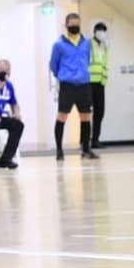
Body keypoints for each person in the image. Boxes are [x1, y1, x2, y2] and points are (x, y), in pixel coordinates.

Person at [50, 12, 98, 161]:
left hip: (84, 85)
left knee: (86, 117)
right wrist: (64, 75)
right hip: (68, 86)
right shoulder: (58, 45)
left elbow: (87, 60)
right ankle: (59, 150)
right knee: (62, 117)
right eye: (72, 25)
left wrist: (82, 73)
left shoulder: (87, 43)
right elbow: (53, 65)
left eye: (77, 24)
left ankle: (86, 150)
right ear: (66, 25)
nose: (75, 27)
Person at [88, 21, 109, 149]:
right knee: (87, 112)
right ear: (95, 32)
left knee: (100, 112)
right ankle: (85, 141)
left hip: (100, 83)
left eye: (103, 31)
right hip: (89, 83)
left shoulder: (104, 46)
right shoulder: (88, 44)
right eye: (100, 31)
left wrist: (104, 80)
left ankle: (95, 140)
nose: (102, 33)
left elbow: (105, 63)